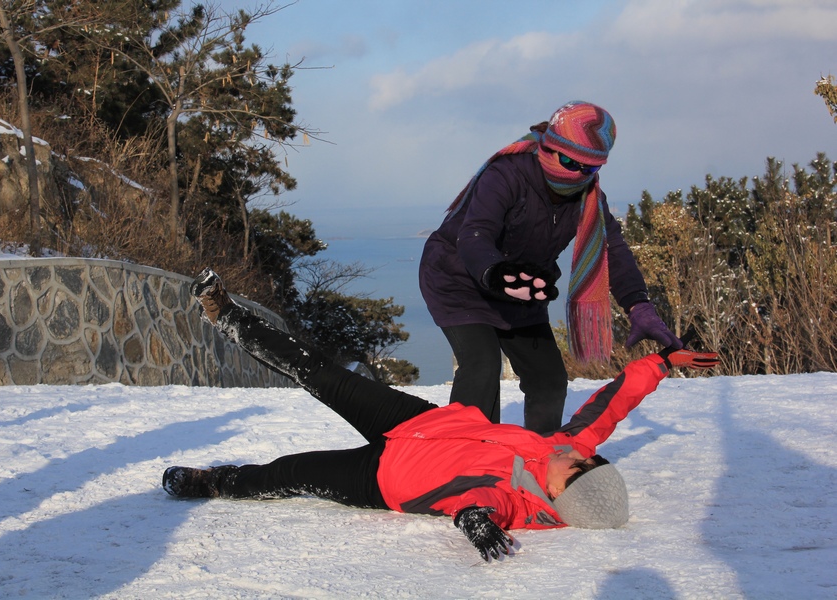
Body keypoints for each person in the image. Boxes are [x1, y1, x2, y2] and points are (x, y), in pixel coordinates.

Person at [162, 269, 718, 562]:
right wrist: (663, 363)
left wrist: (476, 525)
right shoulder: (568, 448)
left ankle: (212, 482)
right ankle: (228, 314)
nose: (575, 453)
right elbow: (614, 402)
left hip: (381, 479)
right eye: (588, 457)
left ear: (557, 498)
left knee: (289, 473)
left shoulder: (518, 505)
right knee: (321, 373)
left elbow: (480, 505)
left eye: (576, 468)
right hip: (415, 421)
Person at [419, 100, 682, 433]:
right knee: (481, 366)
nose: (576, 173)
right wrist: (497, 274)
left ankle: (541, 457)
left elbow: (612, 249)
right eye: (569, 161)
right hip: (460, 280)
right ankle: (468, 460)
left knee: (549, 378)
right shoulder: (507, 174)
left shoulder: (589, 199)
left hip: (524, 287)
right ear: (550, 146)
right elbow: (475, 235)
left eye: (588, 168)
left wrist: (639, 305)